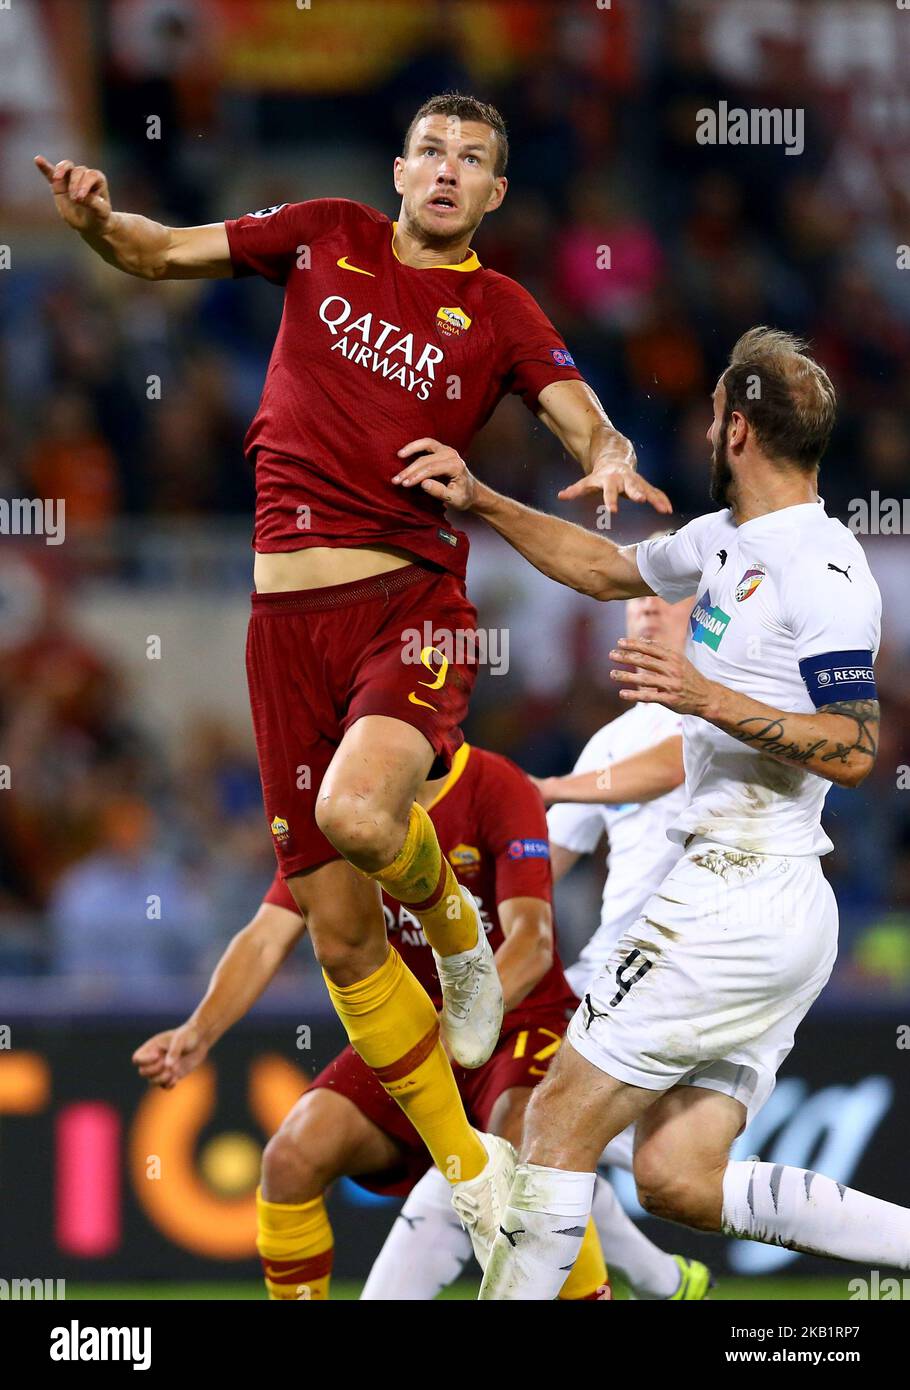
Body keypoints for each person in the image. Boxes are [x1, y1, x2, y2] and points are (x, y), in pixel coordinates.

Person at [37, 92, 669, 1259]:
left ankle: (458, 935)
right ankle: (469, 1170)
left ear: (494, 195)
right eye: (430, 149)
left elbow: (578, 414)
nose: (446, 168)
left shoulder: (500, 308)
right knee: (337, 938)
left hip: (409, 604)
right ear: (395, 167)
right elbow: (158, 249)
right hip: (283, 630)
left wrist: (612, 450)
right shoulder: (322, 232)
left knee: (359, 810)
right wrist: (93, 222)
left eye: (472, 159)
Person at [388, 327, 906, 1299]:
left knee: (552, 1122)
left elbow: (853, 744)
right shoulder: (721, 543)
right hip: (761, 908)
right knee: (675, 1177)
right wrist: (485, 501)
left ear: (739, 428)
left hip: (736, 894)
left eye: (713, 410)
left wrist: (702, 694)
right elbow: (602, 568)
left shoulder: (824, 571)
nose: (701, 424)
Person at [134, 743, 610, 1301]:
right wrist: (197, 1031)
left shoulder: (497, 785)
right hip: (411, 1032)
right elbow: (266, 936)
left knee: (525, 1144)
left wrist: (461, 1020)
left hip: (517, 1020)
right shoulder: (342, 806)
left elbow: (531, 942)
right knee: (290, 1160)